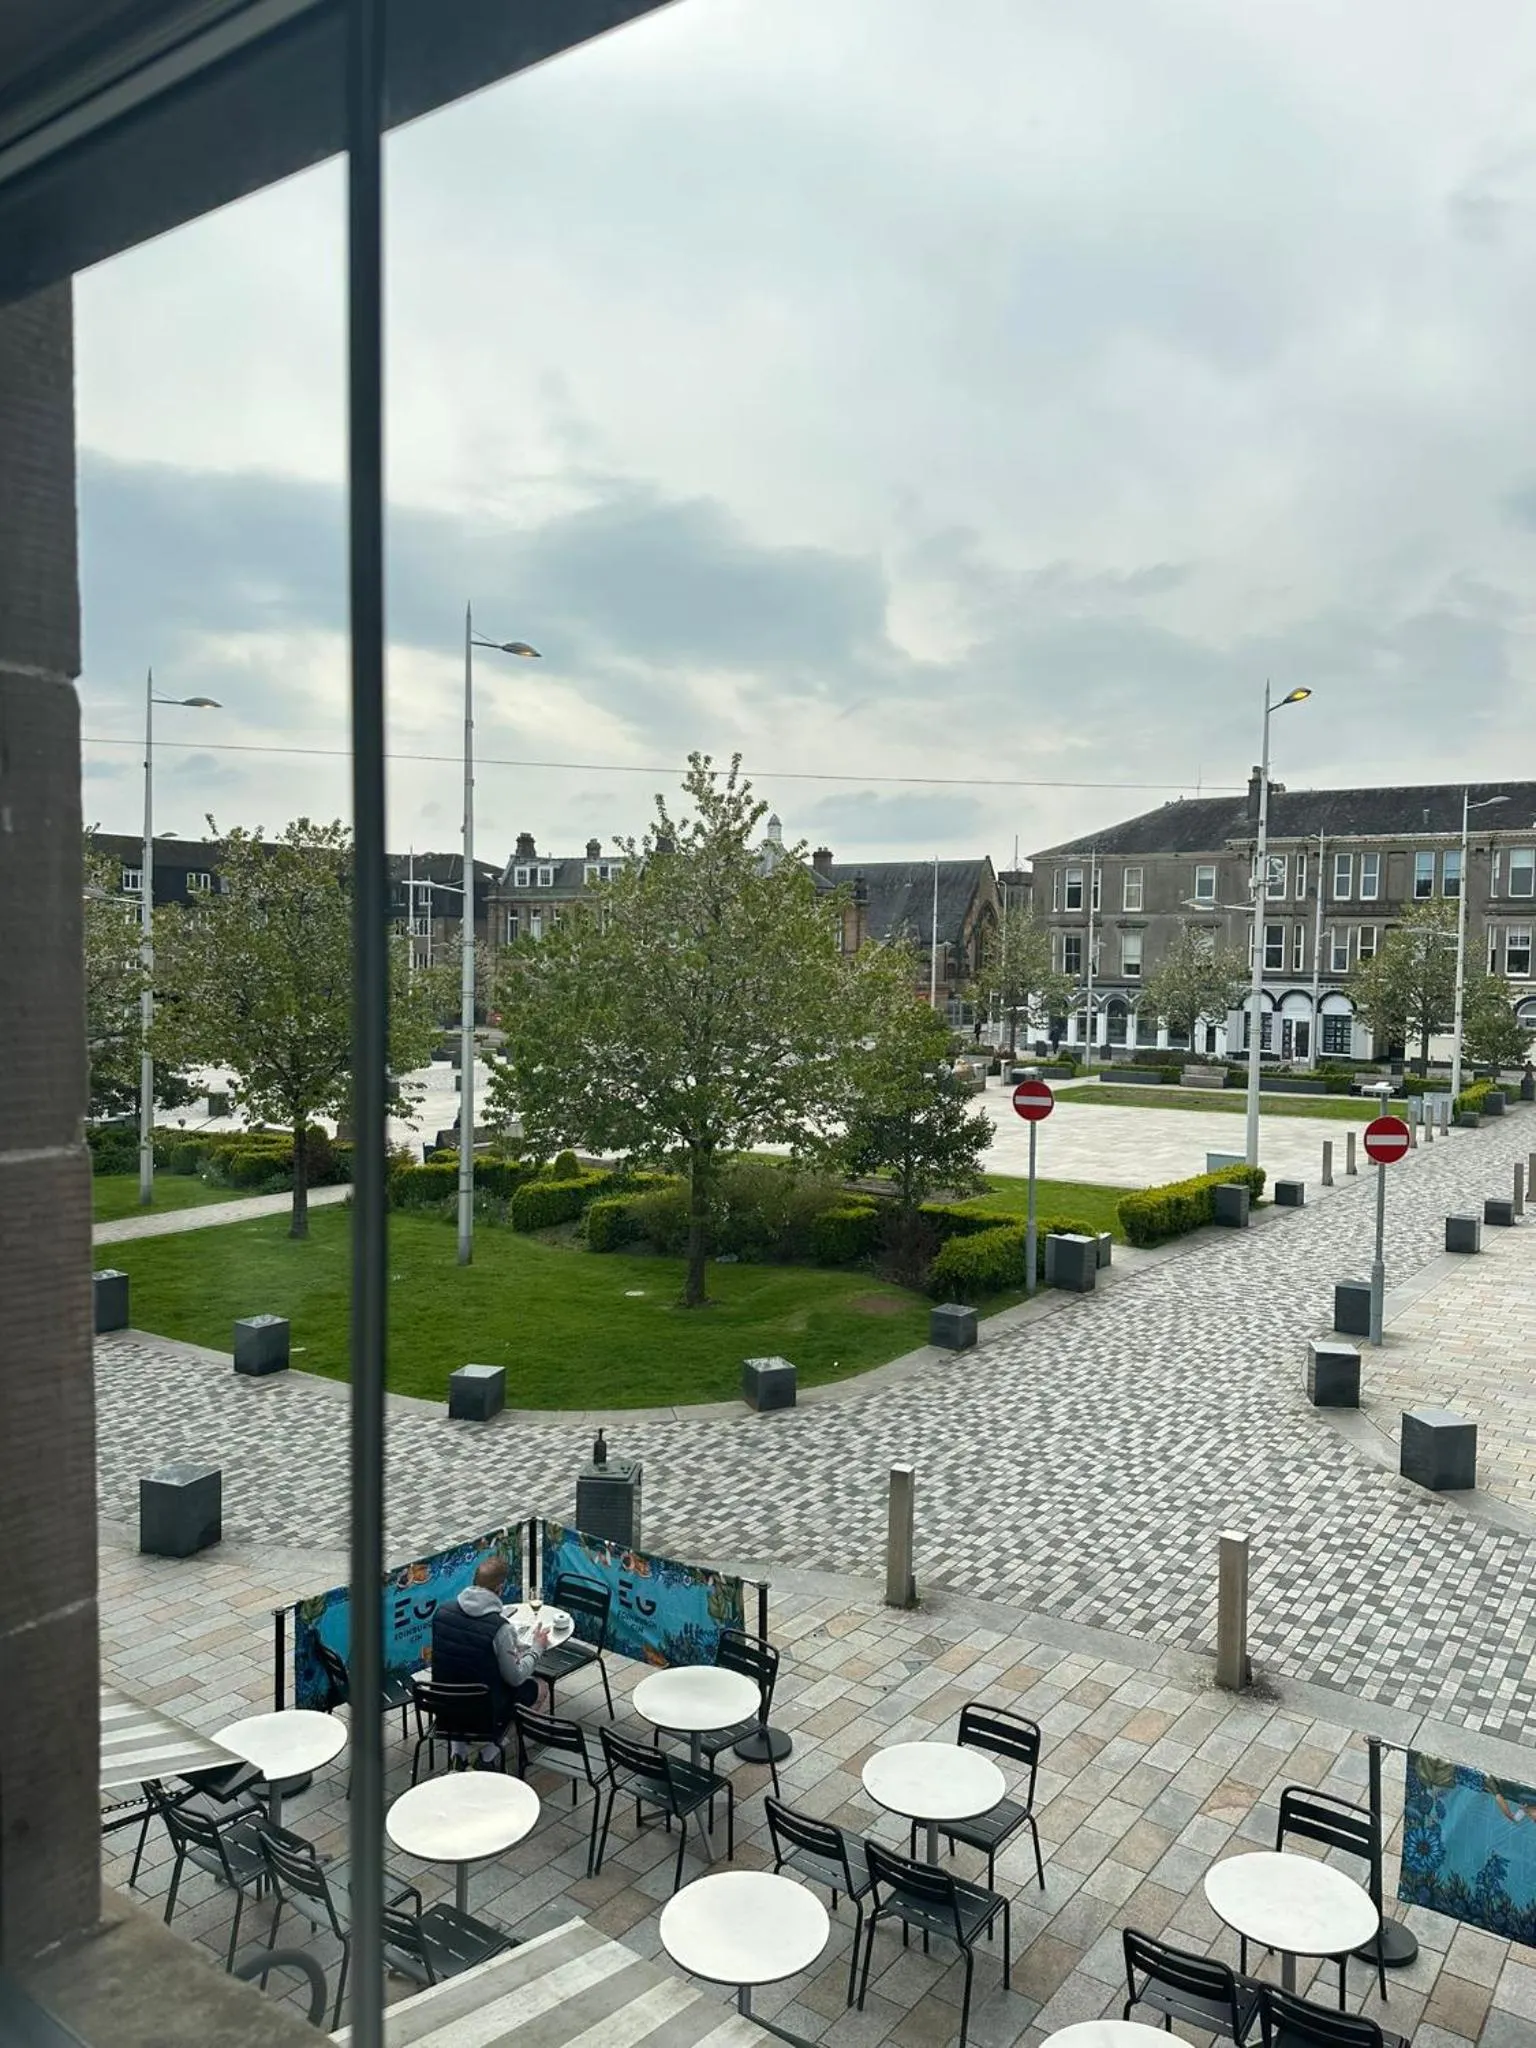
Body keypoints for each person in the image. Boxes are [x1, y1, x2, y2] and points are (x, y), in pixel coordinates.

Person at [429, 1557, 545, 1769]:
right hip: (485, 1714)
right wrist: (537, 1648)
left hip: (445, 1707)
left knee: (459, 1682)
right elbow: (516, 1677)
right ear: (500, 1588)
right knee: (539, 1688)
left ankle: (458, 1755)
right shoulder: (500, 1628)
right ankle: (487, 1756)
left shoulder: (442, 1613)